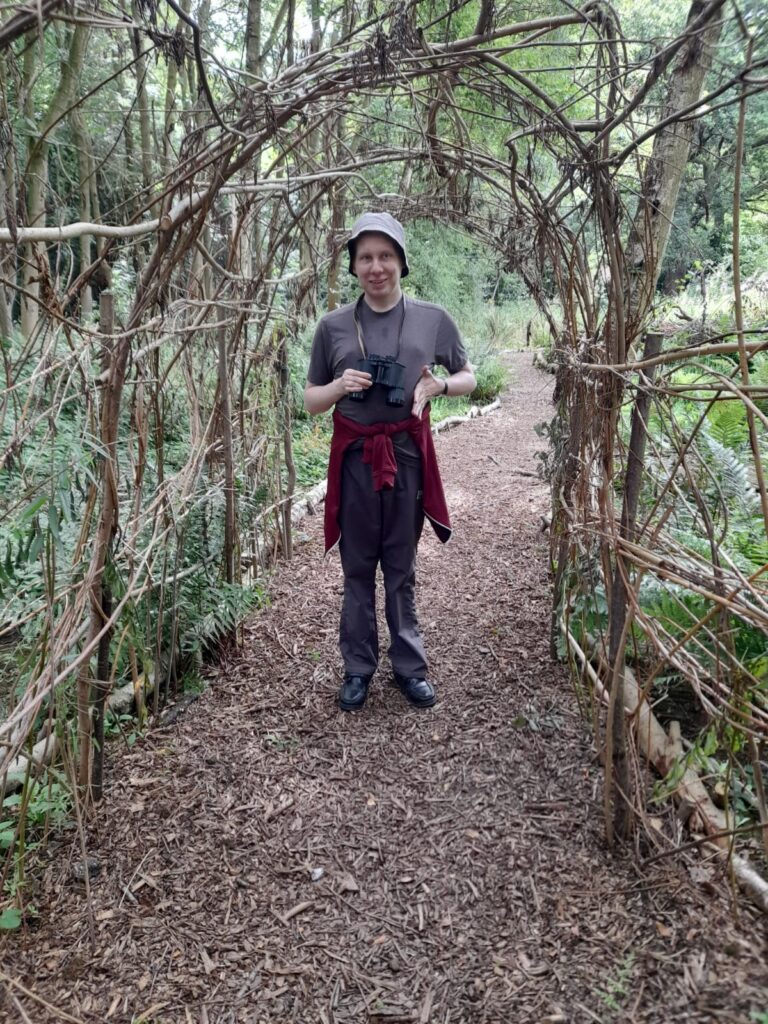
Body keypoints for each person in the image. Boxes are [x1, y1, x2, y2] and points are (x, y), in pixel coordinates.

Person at [304, 212, 476, 712]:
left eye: (385, 257)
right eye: (365, 258)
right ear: (354, 267)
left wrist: (437, 385)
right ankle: (357, 668)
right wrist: (340, 387)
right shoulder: (333, 326)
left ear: (401, 261)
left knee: (400, 565)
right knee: (358, 568)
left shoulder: (432, 318)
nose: (376, 267)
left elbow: (468, 375)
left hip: (406, 456)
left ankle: (409, 668)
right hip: (356, 459)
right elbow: (312, 399)